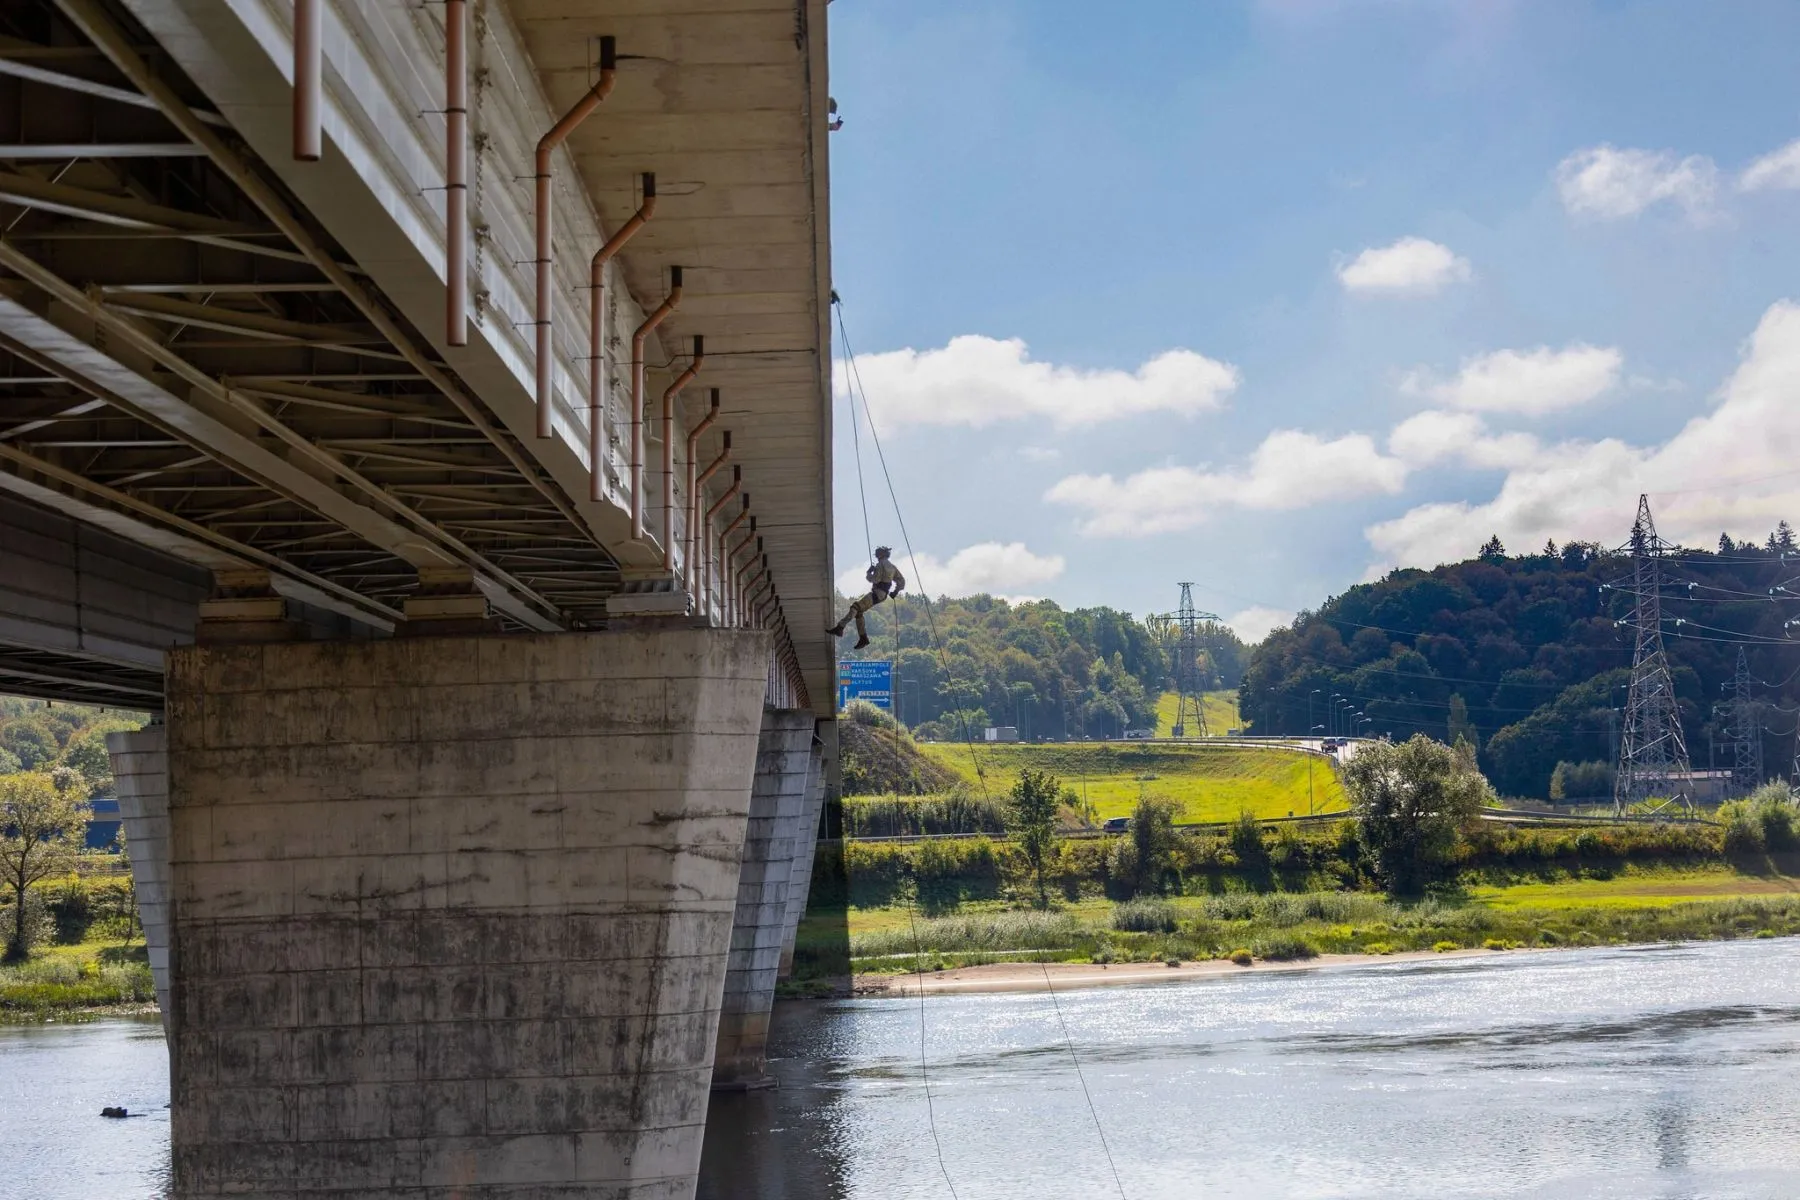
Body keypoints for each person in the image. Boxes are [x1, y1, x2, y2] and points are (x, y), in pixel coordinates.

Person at [829, 546, 905, 649]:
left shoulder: (880, 565)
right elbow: (901, 581)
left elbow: (875, 579)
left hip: (877, 593)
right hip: (882, 594)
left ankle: (840, 628)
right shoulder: (893, 567)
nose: (877, 557)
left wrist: (869, 573)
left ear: (880, 555)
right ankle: (863, 638)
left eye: (877, 555)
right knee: (859, 612)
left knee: (855, 607)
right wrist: (895, 592)